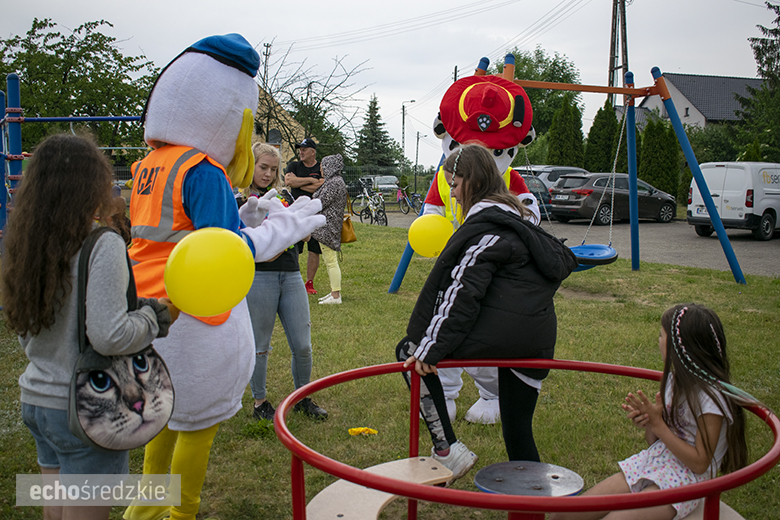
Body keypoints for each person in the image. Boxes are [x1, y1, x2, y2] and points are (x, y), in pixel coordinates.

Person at [124, 34, 324, 520]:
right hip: (194, 316)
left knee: (163, 421)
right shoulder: (202, 168)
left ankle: (143, 512)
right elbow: (224, 252)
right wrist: (283, 227)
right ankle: (180, 514)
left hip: (147, 310)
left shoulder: (148, 165)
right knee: (196, 425)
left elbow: (181, 232)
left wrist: (245, 219)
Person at [3, 133, 178, 520]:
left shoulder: (28, 244)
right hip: (85, 409)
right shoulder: (103, 244)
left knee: (55, 512)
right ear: (90, 184)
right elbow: (108, 335)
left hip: (37, 399)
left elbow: (28, 324)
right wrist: (156, 317)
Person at [396, 144, 578, 485]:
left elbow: (462, 294)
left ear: (471, 181)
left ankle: (448, 449)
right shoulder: (519, 220)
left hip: (504, 337)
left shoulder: (485, 230)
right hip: (536, 339)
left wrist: (430, 347)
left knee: (410, 351)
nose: (452, 192)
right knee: (518, 428)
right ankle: (533, 504)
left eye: (454, 184)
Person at [423, 60, 540, 426]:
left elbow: (529, 218)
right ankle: (446, 393)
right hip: (449, 264)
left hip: (490, 273)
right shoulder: (445, 177)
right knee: (442, 329)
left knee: (480, 337)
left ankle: (493, 393)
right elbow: (431, 211)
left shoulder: (506, 187)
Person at [550, 304, 748, 520]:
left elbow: (700, 463)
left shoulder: (710, 398)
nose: (658, 341)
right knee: (565, 515)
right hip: (654, 463)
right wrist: (651, 421)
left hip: (686, 482)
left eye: (660, 336)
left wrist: (659, 425)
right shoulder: (674, 381)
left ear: (678, 348)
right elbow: (654, 442)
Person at [244, 142, 327, 421]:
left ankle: (302, 397)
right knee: (260, 345)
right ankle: (260, 402)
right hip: (260, 279)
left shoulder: (285, 199)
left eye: (273, 169)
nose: (268, 174)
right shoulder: (241, 203)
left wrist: (294, 233)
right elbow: (253, 249)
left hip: (291, 275)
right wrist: (281, 239)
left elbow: (303, 235)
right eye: (262, 167)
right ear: (250, 166)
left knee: (303, 345)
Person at [284, 137, 324, 295]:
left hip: (314, 213)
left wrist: (299, 182)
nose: (301, 152)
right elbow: (289, 182)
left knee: (314, 249)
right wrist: (310, 180)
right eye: (299, 149)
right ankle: (292, 280)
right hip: (296, 213)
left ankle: (309, 283)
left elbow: (322, 185)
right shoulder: (294, 165)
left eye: (304, 149)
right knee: (294, 248)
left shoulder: (321, 167)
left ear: (313, 152)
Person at [311, 154, 348, 305]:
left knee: (331, 261)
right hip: (329, 225)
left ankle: (335, 295)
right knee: (329, 260)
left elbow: (321, 202)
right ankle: (333, 292)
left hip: (328, 226)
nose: (320, 169)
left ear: (329, 166)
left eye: (322, 166)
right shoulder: (335, 182)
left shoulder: (334, 183)